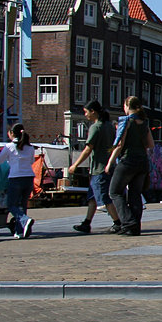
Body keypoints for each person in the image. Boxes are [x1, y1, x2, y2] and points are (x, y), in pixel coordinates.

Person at [69, 100, 121, 234]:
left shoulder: (96, 127)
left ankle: (117, 223)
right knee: (92, 197)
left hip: (99, 168)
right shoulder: (109, 126)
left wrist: (75, 164)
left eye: (86, 112)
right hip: (108, 166)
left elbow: (88, 149)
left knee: (104, 197)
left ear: (93, 111)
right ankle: (86, 223)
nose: (85, 115)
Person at [107, 96, 154, 236]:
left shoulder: (126, 121)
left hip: (128, 161)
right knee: (135, 194)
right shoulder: (144, 123)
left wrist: (110, 162)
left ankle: (128, 222)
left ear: (127, 106)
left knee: (114, 192)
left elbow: (120, 144)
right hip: (142, 162)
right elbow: (151, 145)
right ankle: (135, 227)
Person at [0, 123, 36, 239]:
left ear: (12, 133)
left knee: (11, 205)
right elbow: (31, 162)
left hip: (15, 178)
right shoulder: (30, 147)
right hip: (29, 177)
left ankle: (24, 220)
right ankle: (20, 230)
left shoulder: (9, 147)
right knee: (22, 205)